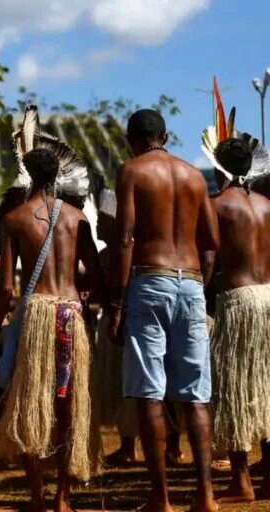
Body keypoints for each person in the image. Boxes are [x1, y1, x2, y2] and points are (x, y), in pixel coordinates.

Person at [0, 108, 102, 512]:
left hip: (35, 313)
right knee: (70, 405)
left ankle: (36, 497)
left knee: (29, 402)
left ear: (28, 175)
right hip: (70, 311)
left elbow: (4, 286)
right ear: (58, 175)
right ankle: (63, 498)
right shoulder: (76, 218)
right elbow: (97, 273)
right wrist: (86, 295)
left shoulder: (15, 219)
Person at [109, 109, 220, 512]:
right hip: (190, 281)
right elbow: (210, 242)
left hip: (149, 279)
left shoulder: (131, 171)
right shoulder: (193, 175)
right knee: (195, 395)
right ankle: (206, 498)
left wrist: (118, 301)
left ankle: (162, 498)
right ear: (166, 136)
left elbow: (123, 238)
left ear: (130, 139)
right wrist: (198, 286)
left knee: (149, 392)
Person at [206, 136, 270, 503]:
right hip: (268, 296)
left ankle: (242, 481)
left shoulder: (217, 205)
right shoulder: (266, 204)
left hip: (237, 301)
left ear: (219, 168)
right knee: (265, 386)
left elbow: (209, 260)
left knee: (234, 389)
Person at [93, 189, 139, 466]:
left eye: (102, 219)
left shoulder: (130, 251)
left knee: (134, 385)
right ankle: (127, 445)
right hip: (113, 323)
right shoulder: (103, 255)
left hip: (130, 324)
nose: (98, 224)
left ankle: (170, 445)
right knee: (121, 385)